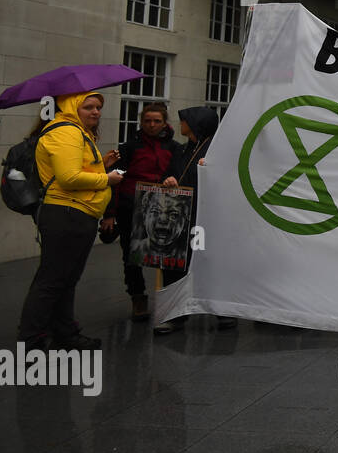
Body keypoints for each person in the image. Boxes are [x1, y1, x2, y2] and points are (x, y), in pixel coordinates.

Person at [17, 91, 126, 350]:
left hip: (77, 213)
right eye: (88, 106)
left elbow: (75, 171)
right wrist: (107, 179)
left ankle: (64, 333)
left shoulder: (77, 132)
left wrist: (101, 165)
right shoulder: (67, 132)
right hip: (67, 215)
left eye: (99, 107)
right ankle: (32, 341)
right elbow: (69, 178)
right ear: (72, 107)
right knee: (53, 280)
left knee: (65, 279)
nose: (96, 112)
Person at [100, 103, 181, 319]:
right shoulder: (128, 148)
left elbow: (178, 176)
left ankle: (169, 297)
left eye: (157, 121)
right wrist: (109, 214)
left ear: (165, 123)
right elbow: (114, 180)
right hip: (130, 207)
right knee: (131, 256)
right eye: (147, 121)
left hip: (163, 208)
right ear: (141, 122)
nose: (152, 125)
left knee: (168, 255)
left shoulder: (174, 148)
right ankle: (138, 297)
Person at [155, 106, 233, 333]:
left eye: (185, 120)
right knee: (176, 264)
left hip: (208, 217)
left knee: (212, 262)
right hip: (180, 216)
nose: (181, 123)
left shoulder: (217, 151)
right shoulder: (182, 150)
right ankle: (176, 311)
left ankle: (222, 310)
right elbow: (168, 175)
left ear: (197, 123)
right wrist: (167, 180)